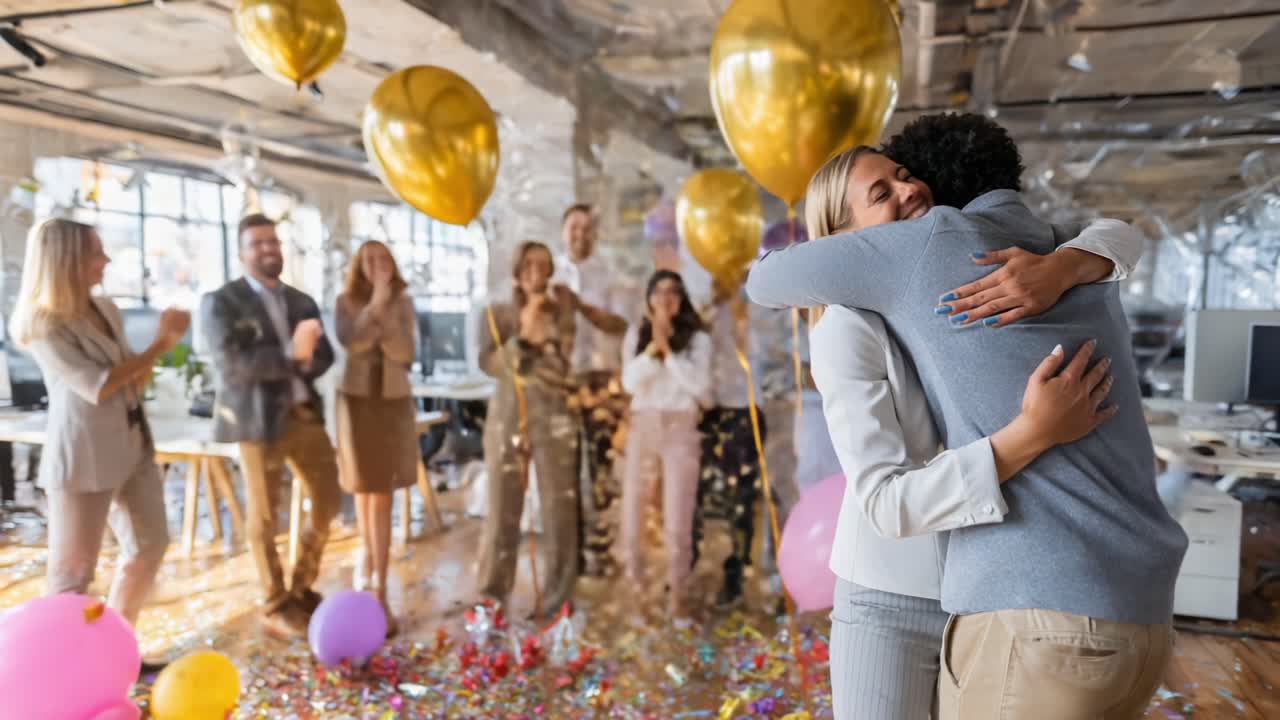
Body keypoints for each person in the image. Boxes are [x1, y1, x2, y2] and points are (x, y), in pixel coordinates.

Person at [746, 113, 1187, 720]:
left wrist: (1066, 264)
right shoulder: (853, 321)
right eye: (883, 192)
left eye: (905, 176)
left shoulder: (992, 264)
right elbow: (885, 503)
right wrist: (1029, 435)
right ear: (846, 240)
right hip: (891, 593)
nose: (908, 191)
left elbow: (1119, 234)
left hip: (983, 587)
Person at [11, 218, 187, 668]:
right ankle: (63, 672)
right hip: (83, 455)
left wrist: (151, 355)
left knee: (149, 545)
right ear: (66, 260)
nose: (106, 261)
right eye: (96, 252)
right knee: (72, 577)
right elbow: (97, 386)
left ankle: (115, 651)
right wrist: (162, 343)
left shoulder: (105, 308)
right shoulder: (42, 323)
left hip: (132, 442)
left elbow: (129, 379)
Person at [200, 213, 342, 639]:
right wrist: (293, 356)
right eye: (257, 243)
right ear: (242, 253)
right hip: (257, 422)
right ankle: (274, 602)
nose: (268, 249)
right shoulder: (221, 302)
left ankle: (301, 587)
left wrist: (307, 358)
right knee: (264, 517)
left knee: (329, 502)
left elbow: (326, 356)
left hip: (304, 416)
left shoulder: (301, 301)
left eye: (273, 242)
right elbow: (233, 366)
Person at [475, 241, 579, 619]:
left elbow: (566, 363)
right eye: (529, 266)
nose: (537, 272)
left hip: (554, 416)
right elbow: (486, 361)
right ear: (518, 272)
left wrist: (548, 332)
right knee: (502, 508)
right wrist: (521, 341)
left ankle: (558, 599)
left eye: (544, 264)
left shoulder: (563, 309)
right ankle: (491, 597)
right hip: (507, 417)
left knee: (559, 510)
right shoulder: (496, 311)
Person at [334, 240, 418, 638]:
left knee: (383, 494)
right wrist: (376, 311)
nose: (377, 266)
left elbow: (404, 351)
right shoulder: (345, 300)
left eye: (384, 258)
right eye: (369, 260)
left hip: (392, 402)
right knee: (364, 491)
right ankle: (366, 565)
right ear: (359, 266)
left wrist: (383, 315)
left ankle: (381, 586)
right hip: (355, 403)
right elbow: (353, 342)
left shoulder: (404, 301)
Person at [619, 270, 712, 620]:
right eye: (658, 292)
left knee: (677, 517)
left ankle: (679, 598)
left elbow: (699, 385)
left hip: (680, 427)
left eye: (673, 292)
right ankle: (638, 592)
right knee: (634, 514)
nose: (665, 298)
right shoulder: (635, 334)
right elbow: (629, 383)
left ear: (682, 298)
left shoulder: (698, 339)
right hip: (643, 426)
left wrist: (669, 351)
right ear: (648, 299)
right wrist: (652, 351)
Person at [552, 204, 629, 576]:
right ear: (563, 231)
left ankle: (602, 551)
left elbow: (618, 325)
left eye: (586, 228)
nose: (580, 234)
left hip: (600, 381)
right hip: (560, 382)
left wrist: (580, 306)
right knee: (565, 472)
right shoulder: (548, 272)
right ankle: (572, 557)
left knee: (601, 471)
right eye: (574, 227)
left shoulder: (608, 275)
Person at [690, 279, 764, 608]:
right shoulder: (704, 310)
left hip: (743, 412)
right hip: (707, 412)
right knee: (699, 497)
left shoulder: (754, 308)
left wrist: (741, 316)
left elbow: (757, 354)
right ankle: (695, 574)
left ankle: (735, 578)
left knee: (740, 501)